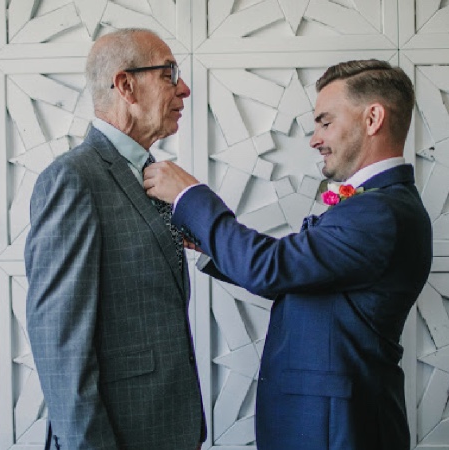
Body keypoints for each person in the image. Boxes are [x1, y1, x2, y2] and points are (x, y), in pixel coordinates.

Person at [143, 59, 432, 450]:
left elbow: (271, 268)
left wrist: (188, 196)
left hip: (335, 430)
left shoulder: (379, 212)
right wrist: (211, 244)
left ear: (373, 118)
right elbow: (295, 276)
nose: (314, 139)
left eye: (325, 122)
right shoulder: (380, 204)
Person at [25, 28, 205, 450]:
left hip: (168, 430)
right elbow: (59, 345)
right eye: (169, 73)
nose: (184, 88)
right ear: (126, 85)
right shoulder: (72, 179)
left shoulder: (155, 175)